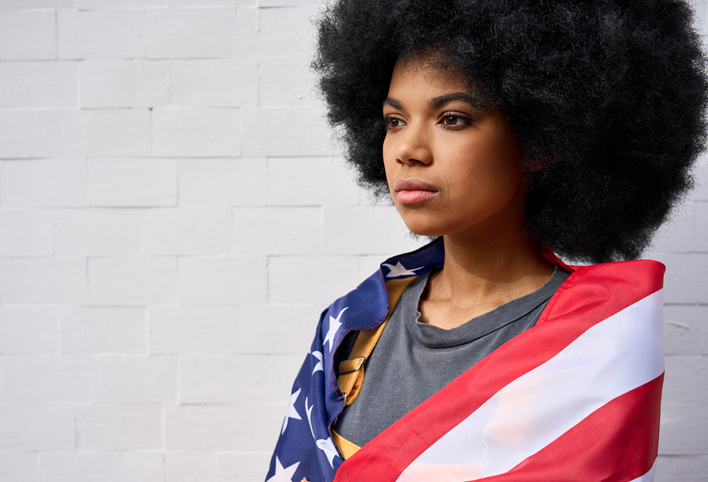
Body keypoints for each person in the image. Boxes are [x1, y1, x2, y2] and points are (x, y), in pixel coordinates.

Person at [265, 1, 707, 481]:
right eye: (395, 121)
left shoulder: (593, 342)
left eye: (452, 118)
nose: (409, 150)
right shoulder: (352, 327)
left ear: (540, 139)